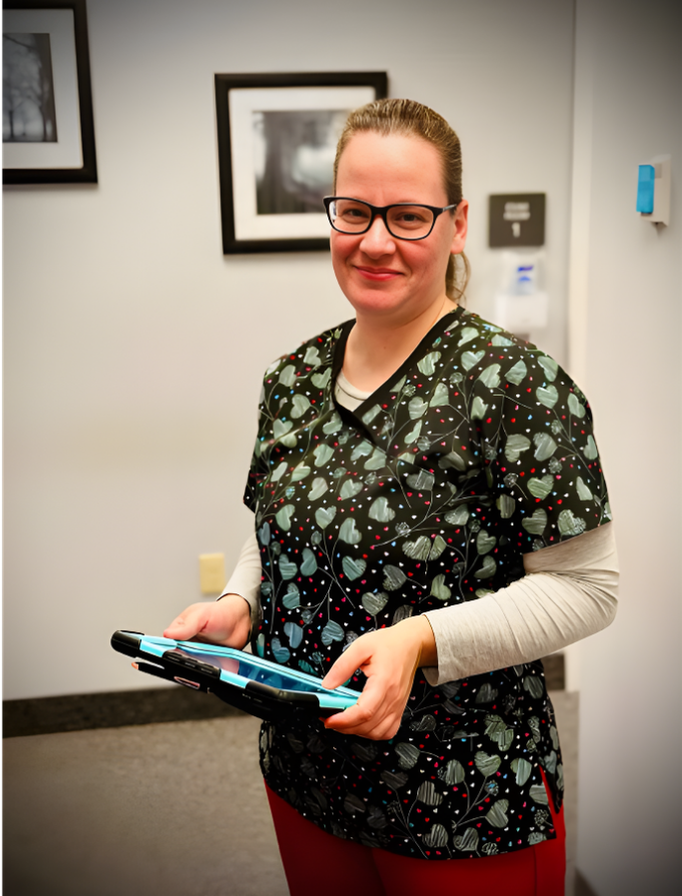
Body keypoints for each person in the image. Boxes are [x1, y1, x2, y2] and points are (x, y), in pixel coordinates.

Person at [165, 98, 618, 895]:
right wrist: (241, 602)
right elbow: (282, 527)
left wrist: (418, 641)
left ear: (457, 222)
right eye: (354, 211)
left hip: (463, 794)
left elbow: (586, 590)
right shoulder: (294, 379)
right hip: (307, 773)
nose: (376, 242)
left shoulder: (518, 389)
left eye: (409, 215)